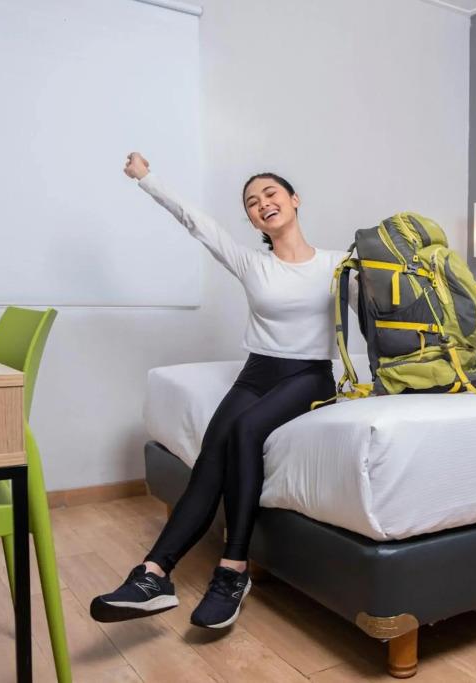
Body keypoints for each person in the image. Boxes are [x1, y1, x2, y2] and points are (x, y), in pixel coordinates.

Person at [90, 152, 351, 629]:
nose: (262, 203)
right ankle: (153, 575)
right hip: (257, 373)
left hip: (310, 375)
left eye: (271, 193)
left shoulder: (339, 264)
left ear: (294, 199)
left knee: (247, 430)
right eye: (252, 202)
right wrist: (147, 179)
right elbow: (197, 222)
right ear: (252, 220)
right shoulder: (252, 263)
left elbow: (389, 301)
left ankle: (233, 570)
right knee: (212, 453)